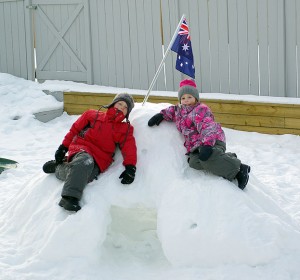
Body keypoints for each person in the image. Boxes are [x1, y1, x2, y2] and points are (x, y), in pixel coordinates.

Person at [148, 79, 250, 190]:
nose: (186, 100)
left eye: (189, 97)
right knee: (193, 163)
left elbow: (208, 127)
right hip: (197, 146)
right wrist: (161, 115)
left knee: (207, 160)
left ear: (196, 98)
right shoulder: (179, 110)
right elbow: (171, 110)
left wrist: (207, 145)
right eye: (183, 98)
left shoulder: (200, 110)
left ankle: (239, 169)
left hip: (213, 140)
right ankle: (228, 158)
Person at [42, 93, 137, 212]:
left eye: (125, 108)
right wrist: (63, 147)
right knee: (84, 162)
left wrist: (130, 167)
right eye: (120, 104)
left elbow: (129, 148)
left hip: (100, 159)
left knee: (85, 176)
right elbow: (74, 130)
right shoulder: (92, 115)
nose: (121, 108)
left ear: (127, 113)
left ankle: (58, 167)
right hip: (82, 149)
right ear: (113, 103)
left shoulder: (125, 129)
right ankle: (69, 198)